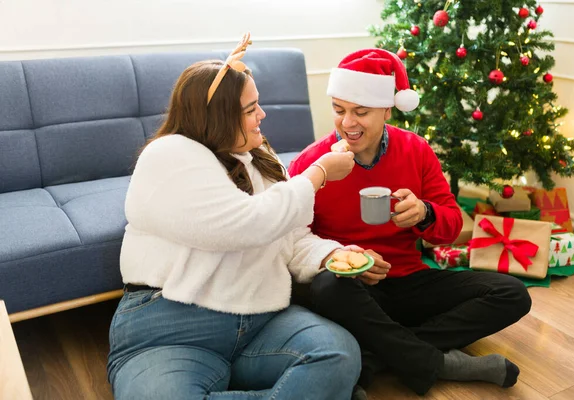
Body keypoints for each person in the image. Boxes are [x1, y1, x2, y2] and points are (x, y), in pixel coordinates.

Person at [106, 33, 363, 400]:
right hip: (171, 330)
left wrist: (330, 255)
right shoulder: (167, 155)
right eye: (249, 109)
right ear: (216, 117)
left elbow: (289, 236)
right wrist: (318, 173)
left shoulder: (262, 159)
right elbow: (244, 224)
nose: (262, 115)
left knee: (338, 353)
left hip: (259, 322)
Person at [288, 48, 532, 396]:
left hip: (409, 281)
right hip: (352, 289)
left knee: (511, 293)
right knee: (328, 288)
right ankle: (436, 361)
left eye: (361, 112)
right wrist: (340, 259)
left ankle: (378, 356)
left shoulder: (416, 150)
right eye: (339, 110)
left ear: (387, 110)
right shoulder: (314, 163)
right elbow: (293, 240)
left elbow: (450, 225)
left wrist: (425, 214)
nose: (347, 122)